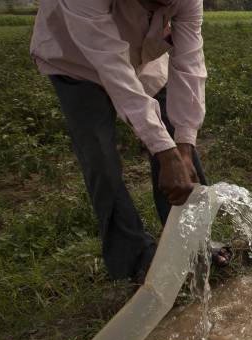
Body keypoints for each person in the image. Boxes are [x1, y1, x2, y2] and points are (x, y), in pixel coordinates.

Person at [30, 0, 227, 283]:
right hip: (75, 60)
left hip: (140, 58)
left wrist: (183, 145)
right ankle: (134, 258)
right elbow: (113, 70)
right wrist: (164, 151)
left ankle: (193, 242)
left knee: (177, 140)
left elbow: (189, 66)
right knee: (100, 159)